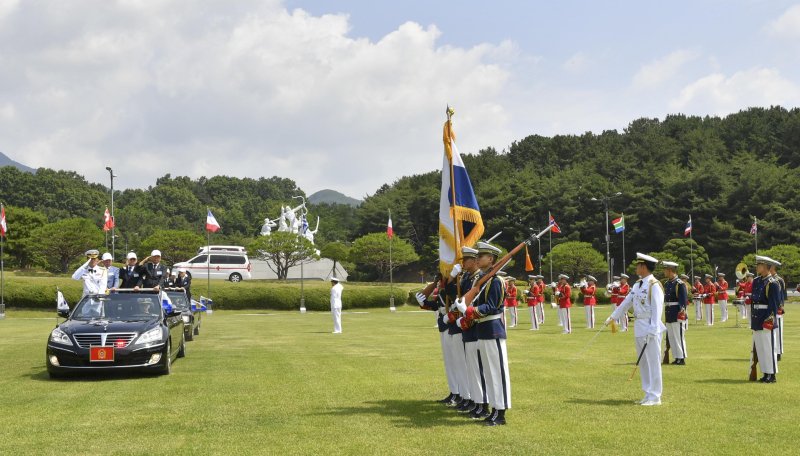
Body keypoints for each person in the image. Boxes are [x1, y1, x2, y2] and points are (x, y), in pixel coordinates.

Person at [456, 241, 510, 426]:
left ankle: (500, 412)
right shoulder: (485, 280)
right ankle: (494, 409)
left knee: (498, 373)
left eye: (481, 256)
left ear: (491, 259)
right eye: (477, 256)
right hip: (482, 329)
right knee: (489, 372)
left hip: (493, 329)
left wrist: (469, 310)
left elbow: (493, 306)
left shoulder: (496, 281)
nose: (477, 259)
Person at [605, 253, 665, 406]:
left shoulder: (654, 285)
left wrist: (653, 329)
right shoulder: (638, 284)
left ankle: (655, 396)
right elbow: (626, 302)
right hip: (639, 325)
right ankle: (647, 392)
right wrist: (613, 317)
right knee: (643, 362)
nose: (636, 268)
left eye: (638, 265)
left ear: (644, 267)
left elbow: (657, 309)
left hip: (650, 326)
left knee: (653, 361)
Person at [453, 246, 487, 418]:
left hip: (474, 325)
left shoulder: (479, 278)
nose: (463, 263)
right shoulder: (468, 277)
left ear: (474, 261)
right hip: (466, 325)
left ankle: (482, 402)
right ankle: (475, 400)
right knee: (471, 368)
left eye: (466, 260)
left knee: (477, 369)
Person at [417, 275, 459, 405]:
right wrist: (423, 302)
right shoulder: (442, 291)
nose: (439, 282)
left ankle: (459, 394)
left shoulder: (453, 287)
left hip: (453, 325)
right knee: (449, 362)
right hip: (444, 325)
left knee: (456, 362)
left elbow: (458, 303)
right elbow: (436, 305)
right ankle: (454, 392)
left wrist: (449, 281)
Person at [750, 256, 780, 382]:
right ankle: (765, 372)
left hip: (766, 316)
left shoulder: (772, 283)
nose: (758, 267)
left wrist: (768, 320)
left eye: (760, 265)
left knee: (768, 347)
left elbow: (773, 304)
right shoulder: (757, 281)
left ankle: (771, 374)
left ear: (767, 267)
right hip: (757, 317)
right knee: (761, 348)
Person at [663, 262, 688, 365]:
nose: (664, 272)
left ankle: (681, 357)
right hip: (669, 312)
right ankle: (676, 357)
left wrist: (681, 313)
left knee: (679, 336)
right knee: (671, 337)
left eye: (665, 270)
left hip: (677, 312)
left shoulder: (679, 284)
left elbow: (683, 300)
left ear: (670, 270)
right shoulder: (667, 283)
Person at [769, 262, 787, 361]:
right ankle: (774, 350)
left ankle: (779, 352)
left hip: (778, 309)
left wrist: (780, 307)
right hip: (770, 309)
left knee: (778, 332)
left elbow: (781, 296)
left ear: (773, 267)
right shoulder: (768, 279)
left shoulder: (779, 280)